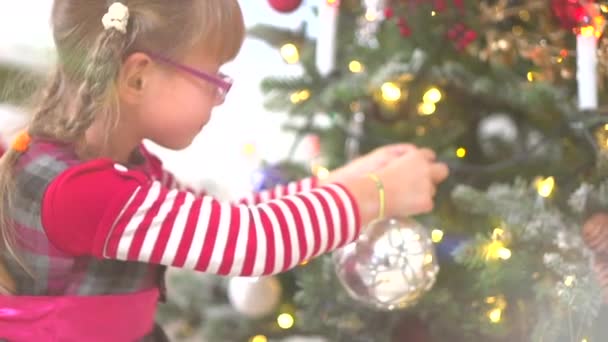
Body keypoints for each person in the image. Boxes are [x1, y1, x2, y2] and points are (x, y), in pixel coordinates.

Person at [0, 1, 448, 341]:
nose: (220, 97)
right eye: (215, 79)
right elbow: (249, 241)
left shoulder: (112, 168)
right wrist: (377, 193)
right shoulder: (82, 193)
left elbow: (221, 217)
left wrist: (344, 180)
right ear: (138, 78)